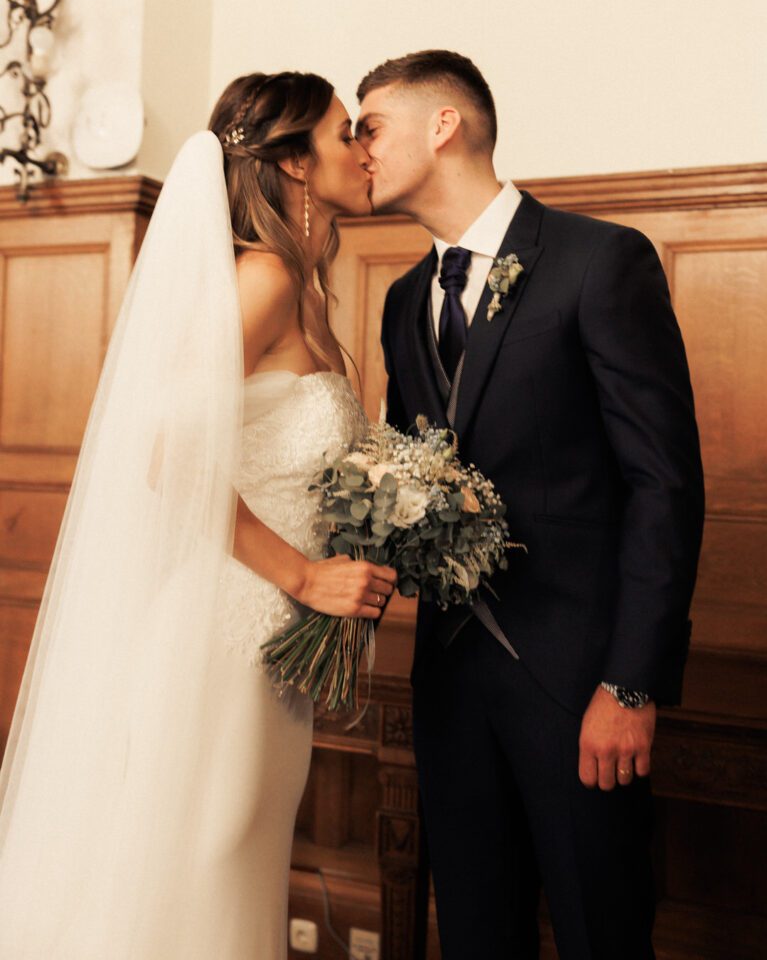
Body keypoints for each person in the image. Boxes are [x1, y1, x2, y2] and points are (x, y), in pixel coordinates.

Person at [0, 71, 396, 959]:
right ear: (295, 165)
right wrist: (302, 574)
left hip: (271, 633)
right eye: (345, 134)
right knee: (206, 855)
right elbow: (165, 453)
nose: (363, 150)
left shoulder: (312, 290)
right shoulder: (261, 279)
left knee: (240, 852)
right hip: (223, 619)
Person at [357, 50, 704, 960]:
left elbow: (663, 485)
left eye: (372, 127)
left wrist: (629, 683)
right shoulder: (402, 302)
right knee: (476, 936)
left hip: (582, 687)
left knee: (602, 933)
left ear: (445, 125)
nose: (360, 151)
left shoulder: (601, 261)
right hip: (449, 691)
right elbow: (414, 472)